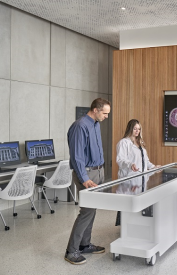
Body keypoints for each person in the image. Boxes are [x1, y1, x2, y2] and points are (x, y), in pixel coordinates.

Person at [64, 98, 111, 265]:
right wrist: (85, 179)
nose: (106, 116)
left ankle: (84, 245)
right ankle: (72, 251)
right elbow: (76, 156)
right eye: (105, 113)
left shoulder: (96, 124)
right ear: (96, 110)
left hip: (98, 171)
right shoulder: (80, 126)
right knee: (86, 212)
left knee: (92, 210)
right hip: (87, 175)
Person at [115, 119, 161, 225]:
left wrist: (154, 167)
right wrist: (130, 164)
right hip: (129, 178)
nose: (137, 131)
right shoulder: (123, 143)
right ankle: (125, 226)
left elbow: (146, 161)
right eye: (135, 128)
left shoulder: (140, 143)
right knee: (128, 204)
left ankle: (136, 225)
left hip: (141, 178)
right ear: (130, 129)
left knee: (139, 203)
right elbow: (120, 160)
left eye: (139, 129)